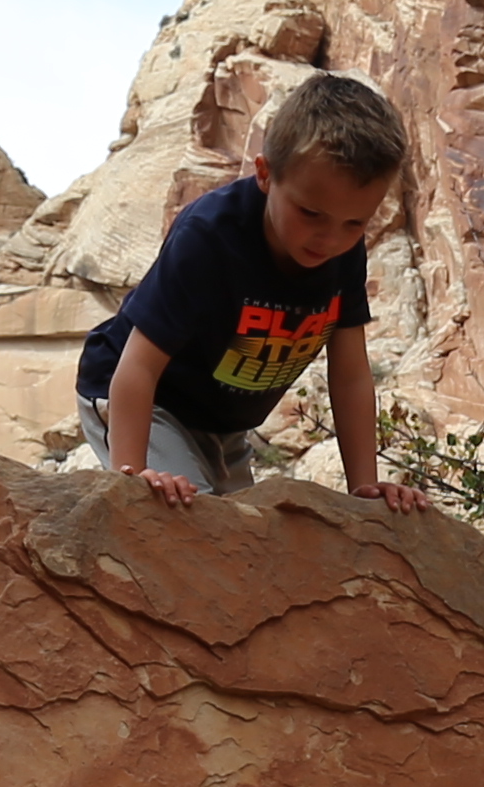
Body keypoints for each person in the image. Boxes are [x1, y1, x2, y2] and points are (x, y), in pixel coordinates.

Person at [75, 72, 426, 509]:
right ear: (265, 174)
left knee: (244, 542)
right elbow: (138, 365)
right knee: (188, 522)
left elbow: (351, 373)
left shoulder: (342, 253)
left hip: (223, 425)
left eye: (354, 222)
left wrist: (364, 490)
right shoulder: (210, 236)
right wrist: (131, 478)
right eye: (310, 212)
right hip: (145, 403)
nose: (329, 238)